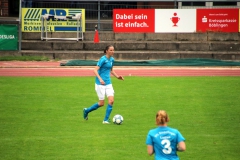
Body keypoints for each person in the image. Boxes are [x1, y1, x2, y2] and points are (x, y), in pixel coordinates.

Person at [83, 45, 124, 124]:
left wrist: (117, 77)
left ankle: (105, 120)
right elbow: (95, 70)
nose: (113, 52)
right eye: (111, 50)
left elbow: (111, 70)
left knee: (111, 101)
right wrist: (100, 79)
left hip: (108, 83)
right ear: (106, 51)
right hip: (100, 84)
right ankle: (86, 110)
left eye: (113, 50)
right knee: (101, 103)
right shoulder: (102, 59)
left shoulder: (112, 59)